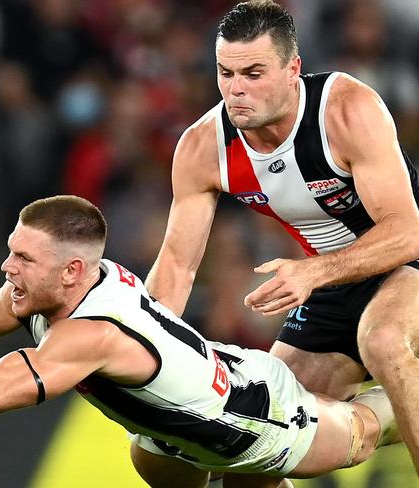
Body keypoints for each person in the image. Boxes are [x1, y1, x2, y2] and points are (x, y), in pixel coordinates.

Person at [0, 195, 397, 487]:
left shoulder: (94, 332)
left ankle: (406, 393)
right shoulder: (46, 289)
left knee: (365, 432)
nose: (8, 267)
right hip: (171, 436)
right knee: (153, 460)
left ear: (71, 272)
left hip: (251, 415)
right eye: (11, 251)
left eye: (23, 258)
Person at [144, 0, 419, 485]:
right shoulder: (202, 147)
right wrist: (139, 348)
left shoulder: (345, 109)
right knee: (257, 439)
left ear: (294, 69)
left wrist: (313, 272)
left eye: (253, 73)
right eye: (225, 73)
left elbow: (406, 231)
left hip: (405, 257)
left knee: (382, 339)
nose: (236, 90)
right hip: (335, 278)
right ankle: (387, 412)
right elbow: (177, 268)